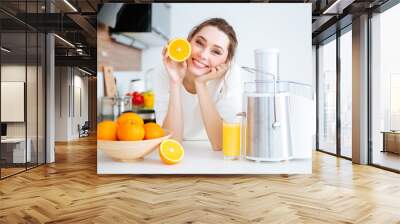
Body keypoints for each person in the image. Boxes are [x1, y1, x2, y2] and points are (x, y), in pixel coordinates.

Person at [151, 18, 243, 150]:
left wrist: (201, 84)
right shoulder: (166, 70)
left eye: (216, 52)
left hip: (212, 153)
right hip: (180, 152)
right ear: (188, 41)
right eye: (199, 43)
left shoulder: (231, 74)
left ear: (226, 61)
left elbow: (220, 144)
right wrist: (175, 81)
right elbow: (171, 144)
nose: (203, 55)